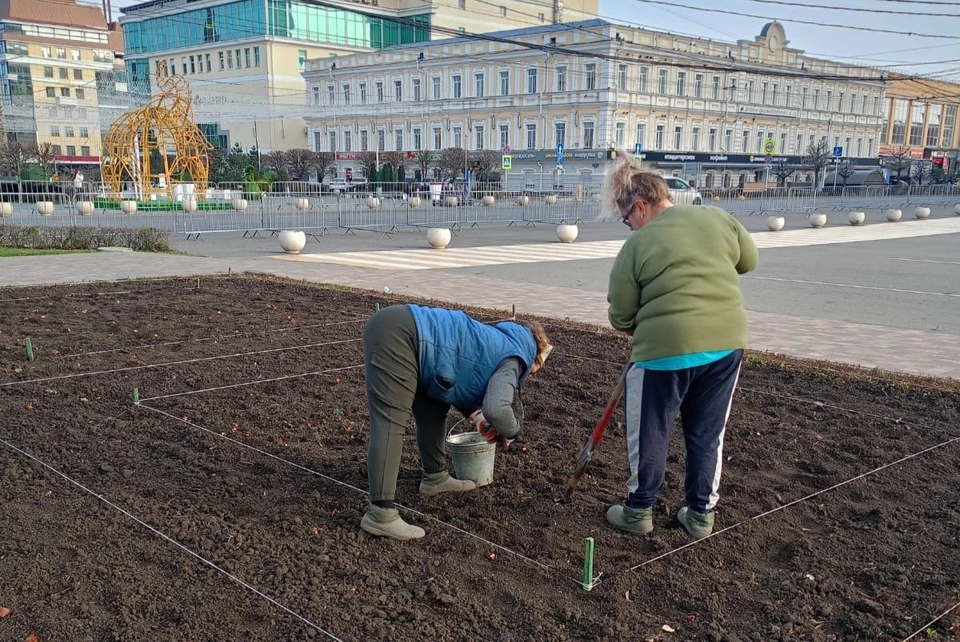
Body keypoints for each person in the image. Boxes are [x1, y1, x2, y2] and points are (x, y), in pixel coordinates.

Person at [603, 160, 758, 539]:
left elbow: (620, 315)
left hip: (663, 350)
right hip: (725, 344)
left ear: (640, 206)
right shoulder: (718, 218)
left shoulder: (638, 244)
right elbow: (749, 261)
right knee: (708, 432)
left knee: (651, 429)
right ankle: (701, 515)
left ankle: (639, 511)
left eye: (627, 218)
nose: (630, 226)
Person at [360, 303, 553, 541]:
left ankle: (435, 478)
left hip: (412, 340)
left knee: (433, 408)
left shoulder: (495, 342)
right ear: (535, 355)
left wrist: (476, 416)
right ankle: (380, 514)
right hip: (399, 335)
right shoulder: (514, 358)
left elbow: (462, 374)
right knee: (390, 421)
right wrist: (514, 433)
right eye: (537, 367)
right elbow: (499, 408)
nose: (532, 374)